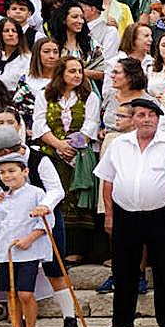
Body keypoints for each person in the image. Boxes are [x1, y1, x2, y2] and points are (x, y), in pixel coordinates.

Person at [95, 98, 165, 327]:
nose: (146, 119)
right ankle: (122, 322)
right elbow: (107, 180)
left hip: (160, 214)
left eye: (151, 115)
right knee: (123, 268)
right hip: (125, 214)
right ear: (133, 119)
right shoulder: (119, 144)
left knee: (164, 268)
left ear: (158, 119)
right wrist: (109, 214)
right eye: (140, 115)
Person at [31, 57, 99, 262]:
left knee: (77, 200)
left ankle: (76, 251)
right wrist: (59, 145)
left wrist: (71, 146)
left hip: (78, 155)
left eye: (79, 71)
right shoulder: (45, 94)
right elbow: (39, 123)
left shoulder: (89, 97)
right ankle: (55, 247)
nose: (77, 75)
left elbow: (90, 126)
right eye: (72, 71)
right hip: (51, 154)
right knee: (55, 197)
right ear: (61, 73)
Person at [0, 154, 53, 327]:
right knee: (11, 294)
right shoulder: (2, 199)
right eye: (2, 172)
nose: (7, 176)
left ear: (25, 171)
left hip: (28, 253)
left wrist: (29, 239)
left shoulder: (36, 193)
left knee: (25, 293)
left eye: (12, 171)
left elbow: (47, 222)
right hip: (5, 254)